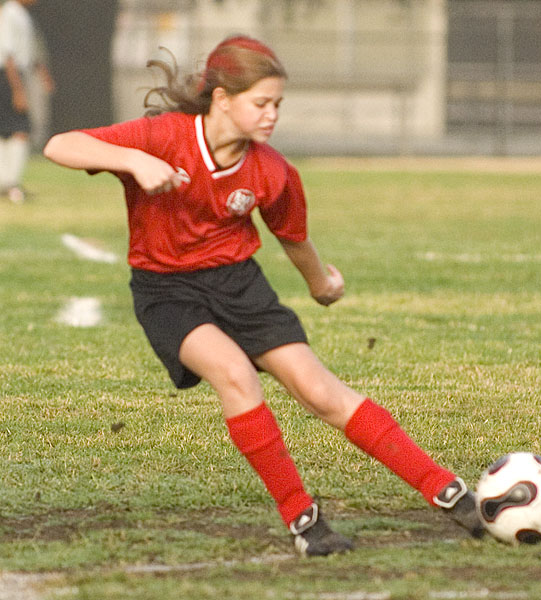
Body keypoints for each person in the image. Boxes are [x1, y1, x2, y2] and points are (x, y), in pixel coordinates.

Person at [43, 35, 484, 556]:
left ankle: (451, 495)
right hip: (168, 291)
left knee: (321, 392)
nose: (272, 115)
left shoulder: (272, 170)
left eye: (277, 104)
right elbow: (60, 145)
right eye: (261, 103)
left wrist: (321, 285)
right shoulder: (164, 136)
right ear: (222, 98)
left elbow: (293, 238)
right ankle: (304, 522)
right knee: (235, 374)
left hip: (240, 286)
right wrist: (133, 161)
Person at [0, 0, 53, 204]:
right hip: (8, 76)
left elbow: (29, 50)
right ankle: (9, 182)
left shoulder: (22, 14)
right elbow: (8, 54)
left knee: (9, 129)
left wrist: (41, 73)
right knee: (19, 128)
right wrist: (18, 89)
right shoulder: (10, 13)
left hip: (16, 74)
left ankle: (7, 182)